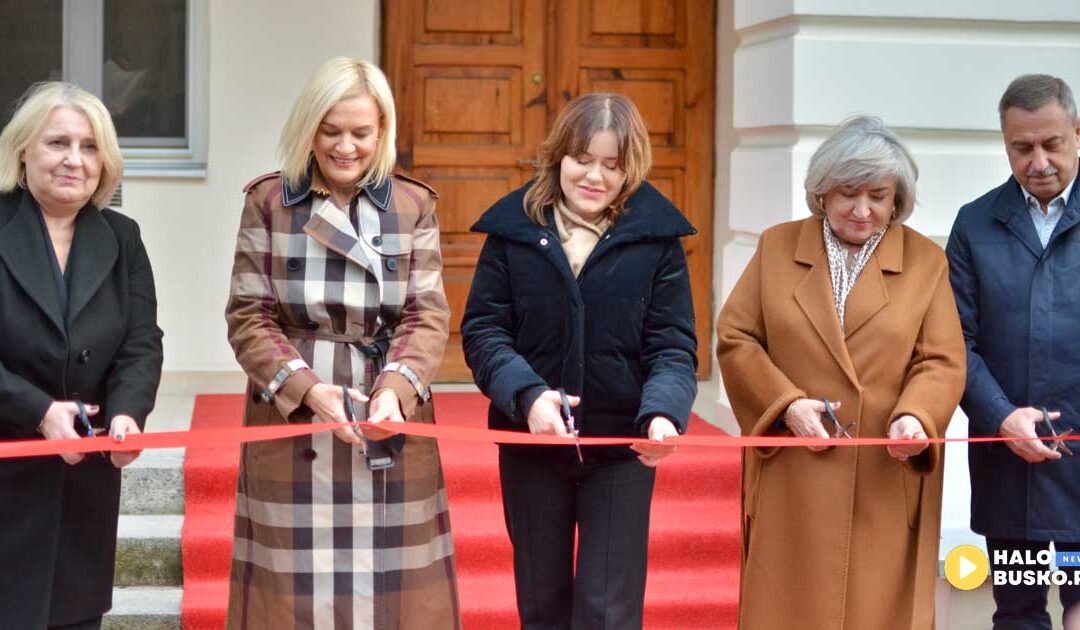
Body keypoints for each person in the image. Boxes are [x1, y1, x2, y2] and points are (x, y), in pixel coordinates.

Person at [224, 57, 459, 629]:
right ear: (309, 128)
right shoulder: (270, 202)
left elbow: (427, 314)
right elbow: (248, 317)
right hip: (294, 411)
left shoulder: (412, 205)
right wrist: (307, 390)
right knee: (293, 590)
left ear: (383, 133)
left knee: (395, 588)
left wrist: (395, 391)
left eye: (361, 132)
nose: (345, 147)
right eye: (331, 131)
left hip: (387, 409)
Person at [716, 115, 966, 629]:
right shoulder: (777, 247)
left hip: (883, 475)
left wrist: (916, 417)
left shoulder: (926, 262)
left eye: (878, 196)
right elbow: (736, 337)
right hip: (793, 472)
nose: (862, 209)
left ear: (897, 200)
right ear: (823, 192)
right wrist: (786, 404)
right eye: (848, 193)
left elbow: (940, 360)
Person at [461, 92, 698, 630]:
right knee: (541, 605)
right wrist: (528, 397)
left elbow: (672, 345)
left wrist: (663, 412)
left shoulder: (658, 239)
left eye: (612, 165)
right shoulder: (512, 231)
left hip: (621, 447)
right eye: (582, 159)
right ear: (558, 156)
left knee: (607, 611)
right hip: (531, 444)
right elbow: (485, 332)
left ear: (630, 169)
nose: (594, 176)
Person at [0, 81, 164, 629]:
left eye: (90, 147)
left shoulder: (122, 236)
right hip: (8, 469)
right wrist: (38, 411)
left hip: (84, 479)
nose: (75, 159)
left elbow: (141, 341)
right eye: (58, 143)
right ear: (23, 151)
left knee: (74, 615)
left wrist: (128, 413)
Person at [946, 74, 1080, 630]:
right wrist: (1001, 417)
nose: (1038, 162)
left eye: (1052, 144)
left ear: (1078, 134)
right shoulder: (974, 224)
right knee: (1018, 609)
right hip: (1008, 461)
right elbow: (955, 342)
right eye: (1022, 147)